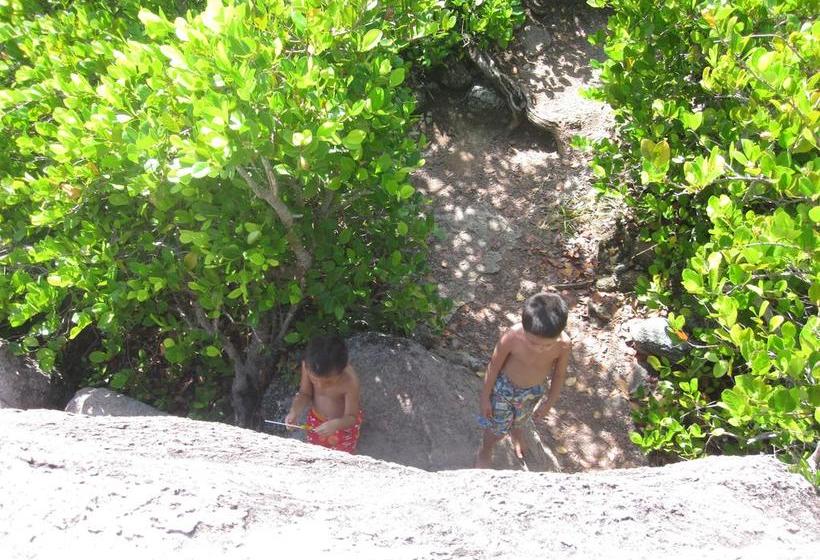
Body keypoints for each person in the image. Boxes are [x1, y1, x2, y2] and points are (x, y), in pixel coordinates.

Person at [475, 292, 572, 468]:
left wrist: (549, 402)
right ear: (525, 329)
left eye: (547, 345)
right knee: (496, 429)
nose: (540, 349)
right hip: (503, 390)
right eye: (533, 342)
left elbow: (558, 375)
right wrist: (485, 398)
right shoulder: (512, 336)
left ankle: (517, 432)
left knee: (522, 419)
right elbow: (494, 366)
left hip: (533, 391)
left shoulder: (564, 344)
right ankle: (486, 450)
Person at [285, 335, 363, 453]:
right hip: (316, 419)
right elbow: (304, 393)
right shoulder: (309, 366)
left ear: (342, 370)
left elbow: (351, 417)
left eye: (329, 382)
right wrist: (294, 411)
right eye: (314, 380)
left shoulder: (350, 381)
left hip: (342, 425)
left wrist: (336, 424)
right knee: (315, 450)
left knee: (343, 455)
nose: (320, 386)